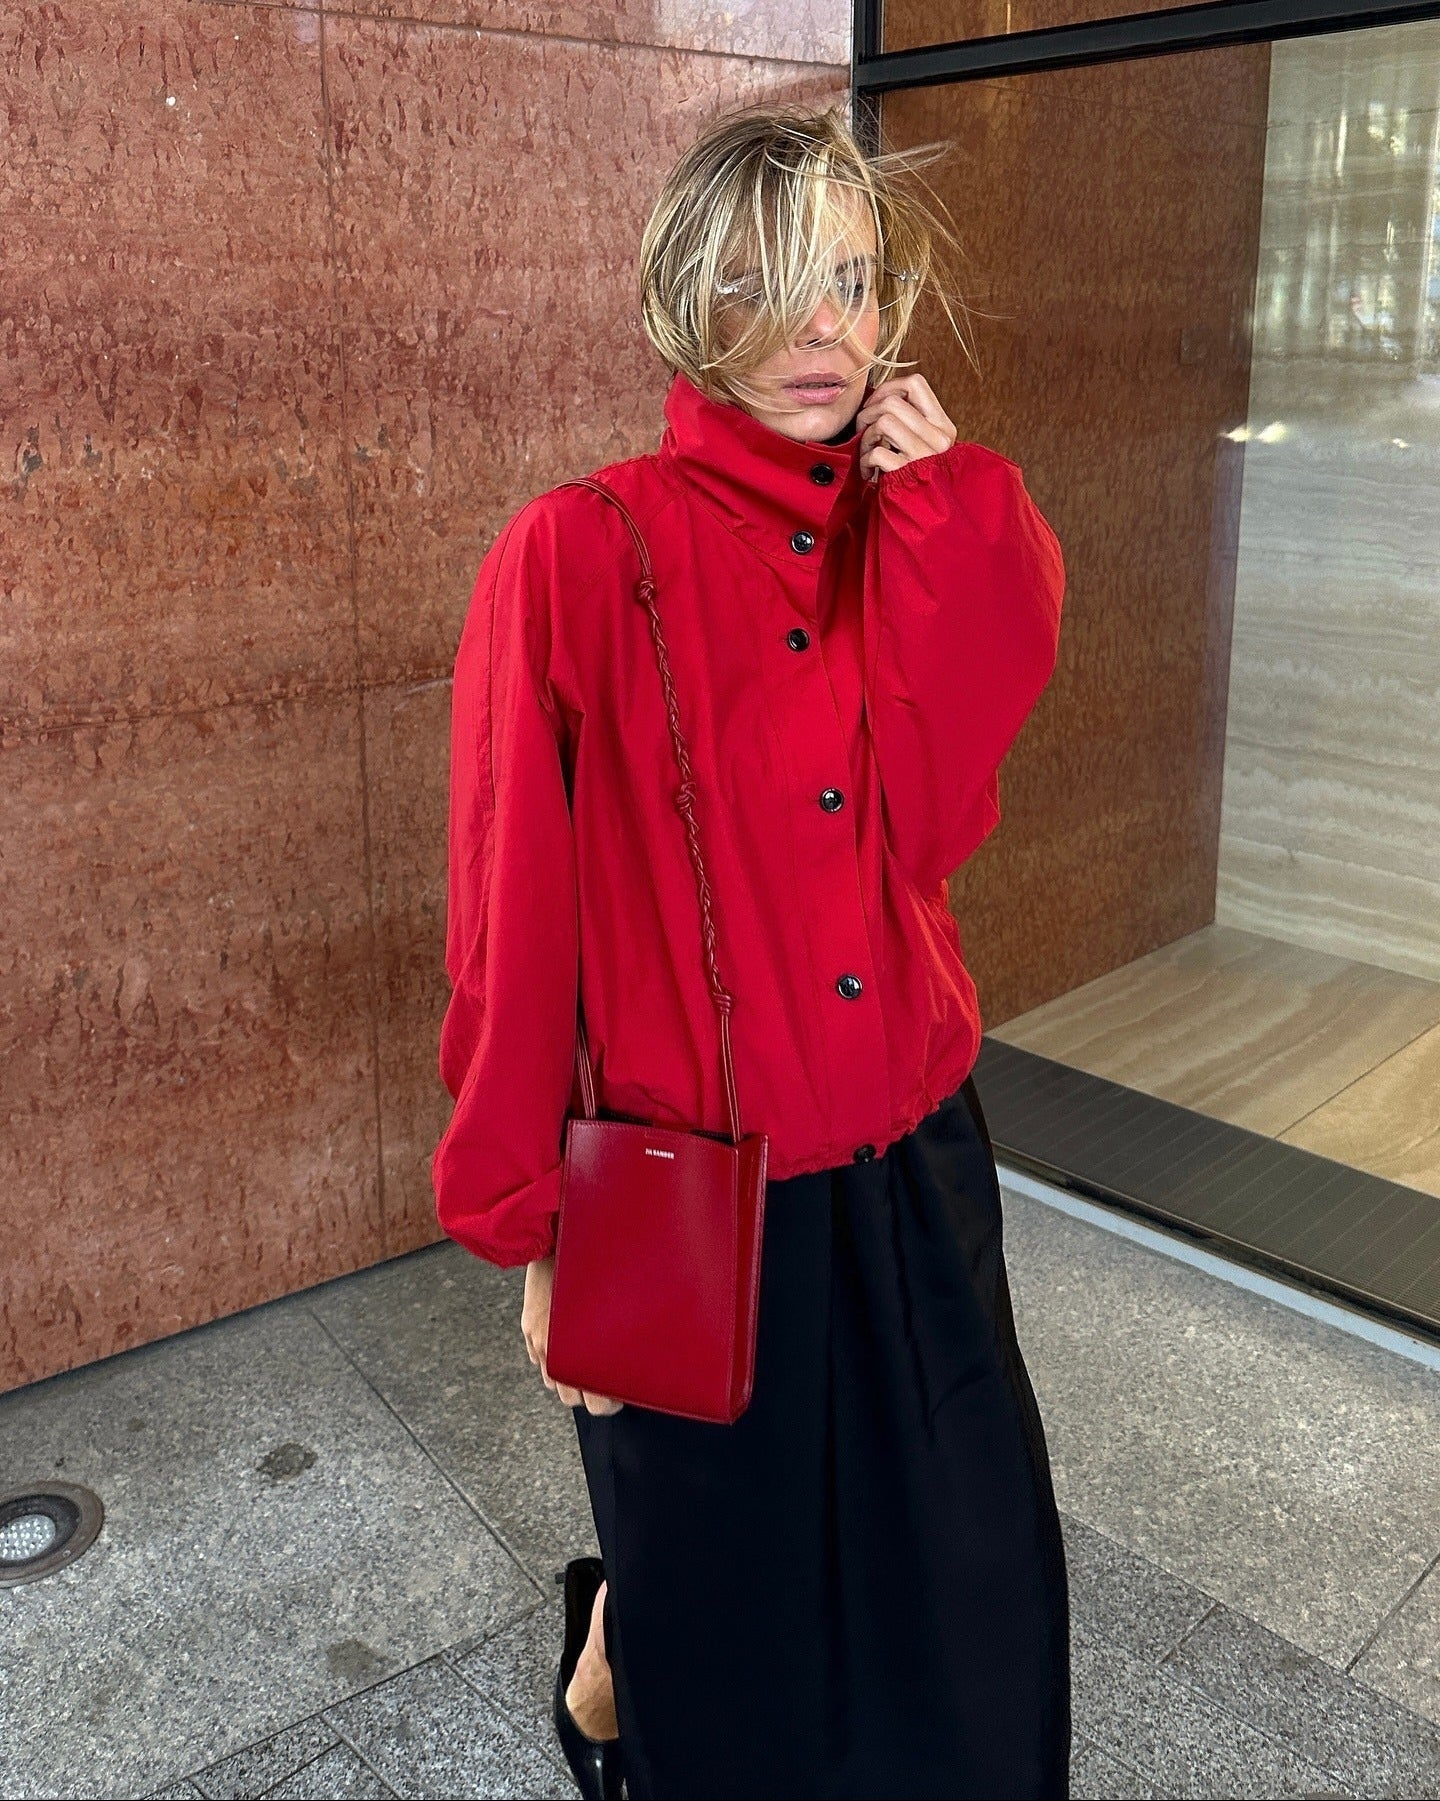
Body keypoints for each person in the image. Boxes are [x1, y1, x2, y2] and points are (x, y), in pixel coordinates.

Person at [432, 102, 1070, 1801]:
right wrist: (524, 1227)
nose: (825, 333)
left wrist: (948, 525)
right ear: (685, 301)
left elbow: (931, 826)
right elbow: (513, 915)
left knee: (966, 1559)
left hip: (914, 1151)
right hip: (685, 1184)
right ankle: (613, 1679)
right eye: (770, 284)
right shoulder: (576, 553)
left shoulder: (905, 530)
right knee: (730, 1601)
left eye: (856, 285)